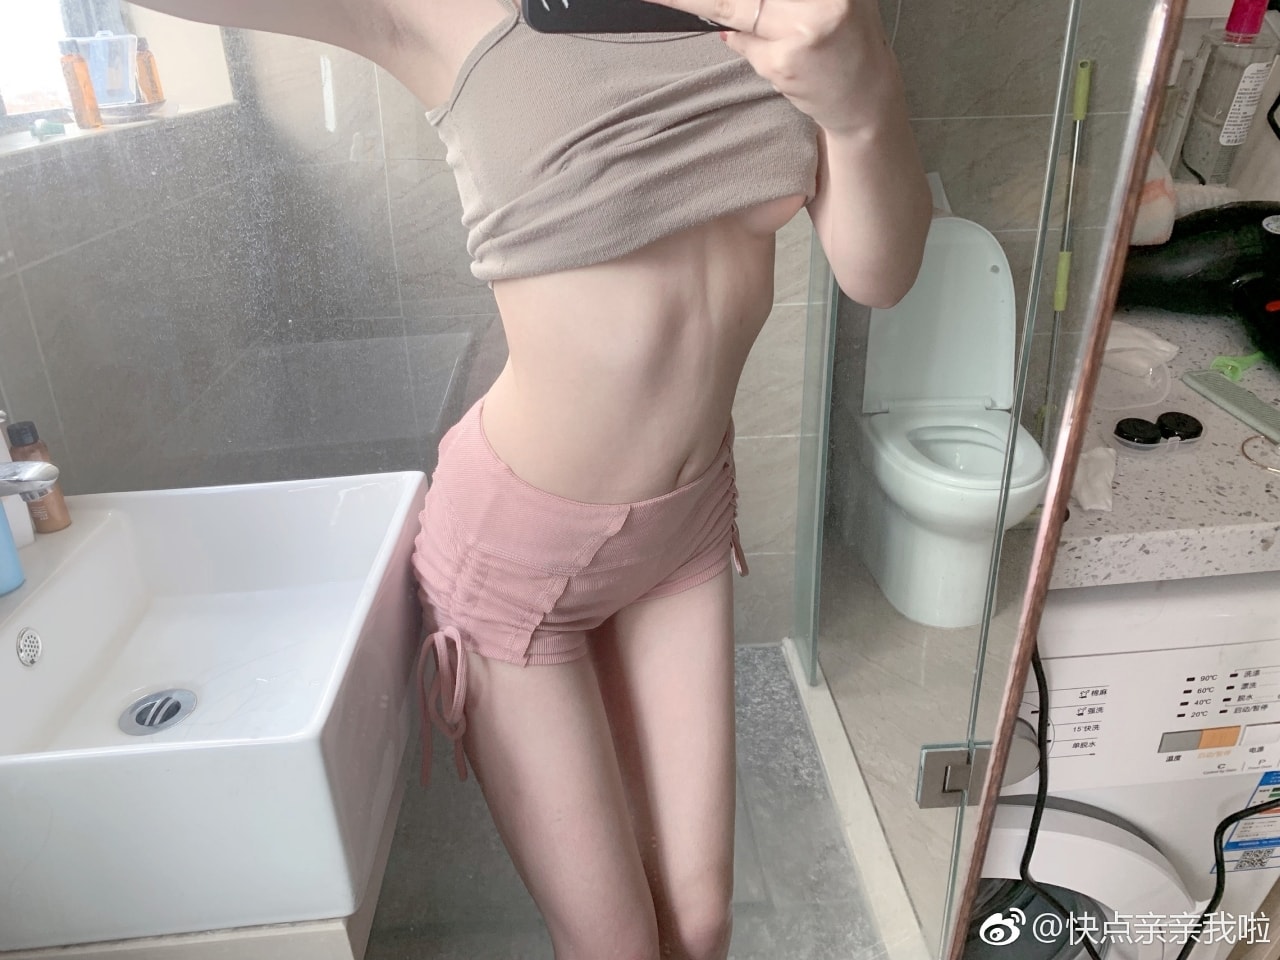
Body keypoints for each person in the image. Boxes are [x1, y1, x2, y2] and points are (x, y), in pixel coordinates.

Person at [135, 0, 930, 956]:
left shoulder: (791, 13)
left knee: (702, 924)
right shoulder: (455, 15)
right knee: (615, 945)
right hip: (518, 558)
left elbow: (880, 277)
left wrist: (865, 104)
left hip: (685, 526)